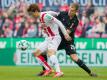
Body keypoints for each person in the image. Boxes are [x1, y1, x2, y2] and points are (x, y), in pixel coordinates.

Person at [37, 3, 97, 77]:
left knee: (74, 57)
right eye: (70, 9)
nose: (70, 11)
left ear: (76, 11)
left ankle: (90, 72)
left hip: (68, 41)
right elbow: (52, 18)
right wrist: (45, 24)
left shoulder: (75, 20)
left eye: (72, 11)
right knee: (42, 52)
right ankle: (45, 70)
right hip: (58, 39)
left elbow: (67, 32)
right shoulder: (62, 14)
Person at [27, 4, 71, 77]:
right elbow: (53, 13)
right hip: (48, 39)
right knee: (35, 53)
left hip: (55, 37)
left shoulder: (45, 16)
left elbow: (58, 22)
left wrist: (65, 34)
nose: (31, 16)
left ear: (35, 11)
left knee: (50, 53)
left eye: (31, 14)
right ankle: (48, 69)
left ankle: (59, 72)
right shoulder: (41, 17)